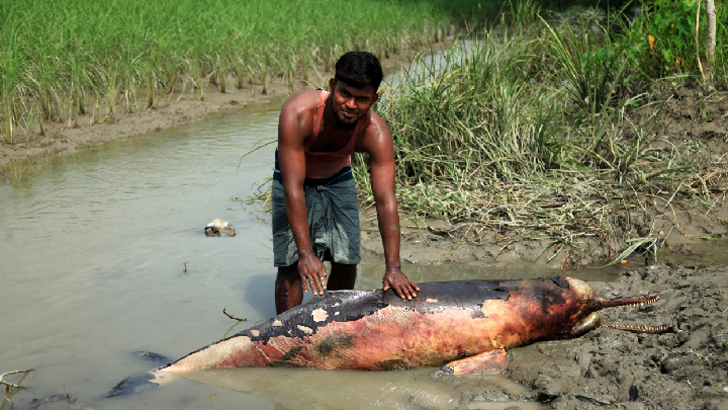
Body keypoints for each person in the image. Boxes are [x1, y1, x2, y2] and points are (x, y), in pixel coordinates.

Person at [272, 51, 419, 314]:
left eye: (362, 99)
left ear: (373, 99)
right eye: (345, 94)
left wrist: (393, 268)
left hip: (338, 176)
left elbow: (386, 201)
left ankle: (333, 323)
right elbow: (293, 187)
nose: (351, 105)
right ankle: (283, 329)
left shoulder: (375, 133)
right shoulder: (298, 113)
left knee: (346, 259)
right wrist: (306, 253)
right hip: (295, 178)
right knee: (291, 263)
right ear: (332, 86)